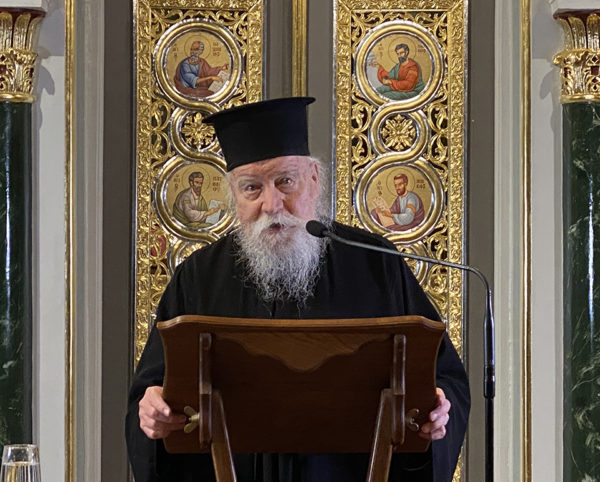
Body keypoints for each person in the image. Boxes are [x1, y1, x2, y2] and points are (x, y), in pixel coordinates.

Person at [125, 97, 470, 482]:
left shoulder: (375, 264)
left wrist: (439, 409)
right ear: (234, 195)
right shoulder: (199, 277)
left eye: (285, 181)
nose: (272, 204)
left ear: (314, 179)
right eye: (252, 188)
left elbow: (445, 379)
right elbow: (153, 391)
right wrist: (152, 412)